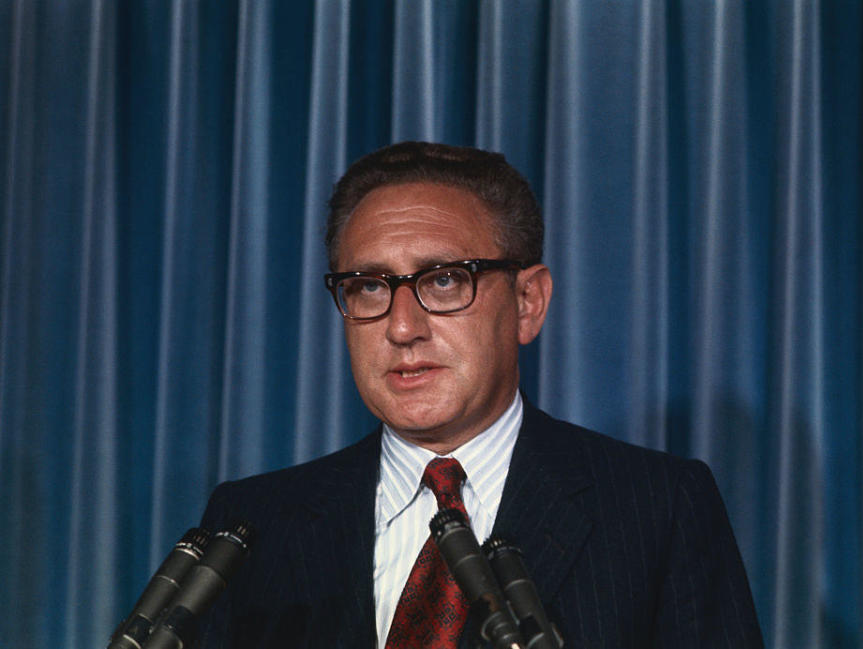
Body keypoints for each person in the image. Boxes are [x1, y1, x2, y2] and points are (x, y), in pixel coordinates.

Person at [193, 141, 764, 648]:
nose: (401, 327)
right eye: (369, 286)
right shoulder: (251, 525)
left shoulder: (656, 511)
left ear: (527, 303)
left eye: (443, 279)